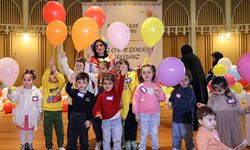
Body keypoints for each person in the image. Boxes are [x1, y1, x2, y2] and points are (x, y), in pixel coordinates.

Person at [59, 51, 98, 146]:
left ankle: (83, 142)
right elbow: (65, 67)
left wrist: (94, 95)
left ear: (84, 66)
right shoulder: (72, 74)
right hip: (73, 106)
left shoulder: (88, 76)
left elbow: (96, 83)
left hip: (85, 107)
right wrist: (64, 58)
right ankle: (71, 143)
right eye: (77, 65)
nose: (78, 67)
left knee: (84, 127)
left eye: (81, 65)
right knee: (71, 126)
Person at [207, 76, 250, 148]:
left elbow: (239, 110)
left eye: (219, 90)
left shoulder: (232, 95)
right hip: (219, 126)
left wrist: (246, 109)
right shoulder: (212, 97)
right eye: (215, 90)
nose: (217, 92)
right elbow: (209, 112)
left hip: (233, 126)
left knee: (232, 145)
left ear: (226, 87)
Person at [92, 65, 127, 150]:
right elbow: (96, 108)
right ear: (102, 84)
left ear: (113, 84)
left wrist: (122, 75)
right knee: (106, 141)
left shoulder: (116, 93)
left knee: (117, 140)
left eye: (110, 84)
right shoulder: (101, 96)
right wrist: (98, 113)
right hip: (105, 122)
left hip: (116, 122)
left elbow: (120, 86)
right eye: (105, 84)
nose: (107, 86)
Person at [133, 64, 165, 150]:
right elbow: (135, 101)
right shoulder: (139, 87)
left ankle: (155, 147)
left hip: (155, 114)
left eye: (149, 72)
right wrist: (136, 113)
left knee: (154, 132)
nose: (146, 74)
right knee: (143, 132)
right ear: (141, 74)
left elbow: (163, 98)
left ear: (153, 73)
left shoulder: (157, 86)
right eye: (144, 73)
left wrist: (158, 94)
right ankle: (142, 147)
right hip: (143, 114)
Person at [7, 70, 42, 150]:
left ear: (33, 81)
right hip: (21, 114)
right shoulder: (19, 90)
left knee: (30, 131)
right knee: (22, 131)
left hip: (31, 115)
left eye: (29, 80)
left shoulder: (36, 91)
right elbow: (14, 99)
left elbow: (39, 102)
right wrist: (10, 94)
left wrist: (40, 112)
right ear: (22, 80)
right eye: (24, 80)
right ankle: (23, 145)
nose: (26, 82)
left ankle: (30, 144)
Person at [180, 44, 208, 130]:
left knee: (194, 100)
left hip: (194, 81)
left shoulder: (184, 57)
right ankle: (204, 121)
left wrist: (188, 83)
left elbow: (187, 71)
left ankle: (195, 123)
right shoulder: (195, 57)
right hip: (201, 79)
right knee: (201, 98)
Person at [65, 72, 96, 150]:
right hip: (74, 117)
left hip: (84, 118)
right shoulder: (74, 92)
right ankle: (72, 147)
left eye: (84, 82)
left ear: (87, 83)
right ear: (76, 83)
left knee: (84, 137)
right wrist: (71, 81)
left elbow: (91, 109)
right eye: (79, 82)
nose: (81, 85)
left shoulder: (91, 96)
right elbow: (67, 89)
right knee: (72, 136)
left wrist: (89, 119)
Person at [42, 58, 65, 150]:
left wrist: (55, 70)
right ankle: (49, 147)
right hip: (47, 111)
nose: (54, 75)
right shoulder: (46, 85)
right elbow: (44, 77)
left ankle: (60, 146)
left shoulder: (59, 86)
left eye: (55, 74)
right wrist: (49, 68)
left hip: (58, 111)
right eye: (52, 74)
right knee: (47, 131)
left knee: (59, 130)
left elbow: (62, 80)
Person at [169, 70, 196, 150]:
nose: (183, 82)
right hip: (176, 119)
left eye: (186, 79)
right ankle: (176, 147)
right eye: (181, 80)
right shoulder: (176, 90)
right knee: (176, 136)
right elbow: (171, 99)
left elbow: (186, 104)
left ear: (189, 80)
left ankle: (190, 148)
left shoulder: (190, 91)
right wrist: (170, 102)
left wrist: (173, 104)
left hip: (186, 120)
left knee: (187, 137)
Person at [115, 59, 139, 150]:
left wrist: (147, 56)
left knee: (133, 123)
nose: (122, 67)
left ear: (128, 67)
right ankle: (126, 141)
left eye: (124, 65)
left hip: (133, 103)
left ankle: (133, 140)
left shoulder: (133, 74)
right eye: (119, 65)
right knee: (123, 124)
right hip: (121, 105)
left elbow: (143, 68)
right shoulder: (116, 77)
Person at [92, 60, 111, 150]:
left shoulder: (111, 80)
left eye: (103, 68)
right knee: (97, 126)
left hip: (107, 110)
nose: (101, 70)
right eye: (99, 68)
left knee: (106, 128)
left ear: (108, 69)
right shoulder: (95, 79)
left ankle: (106, 142)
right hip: (97, 110)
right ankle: (99, 141)